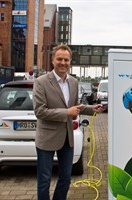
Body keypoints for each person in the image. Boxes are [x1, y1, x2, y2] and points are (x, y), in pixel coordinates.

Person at [33, 44, 105, 200]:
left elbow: (75, 107)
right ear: (53, 60)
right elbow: (40, 111)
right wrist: (66, 112)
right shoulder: (41, 82)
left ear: (70, 61)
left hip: (67, 138)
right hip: (47, 139)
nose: (63, 62)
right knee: (44, 180)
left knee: (65, 178)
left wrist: (92, 108)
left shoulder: (73, 82)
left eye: (66, 59)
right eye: (59, 59)